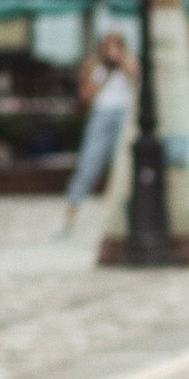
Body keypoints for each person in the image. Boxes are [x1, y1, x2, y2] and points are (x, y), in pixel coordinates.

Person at [61, 32, 134, 236]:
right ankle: (69, 216)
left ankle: (125, 220)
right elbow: (85, 95)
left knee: (122, 167)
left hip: (124, 116)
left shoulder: (128, 62)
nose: (112, 50)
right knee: (88, 165)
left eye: (116, 45)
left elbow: (136, 82)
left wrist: (121, 63)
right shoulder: (95, 66)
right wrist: (103, 74)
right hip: (101, 114)